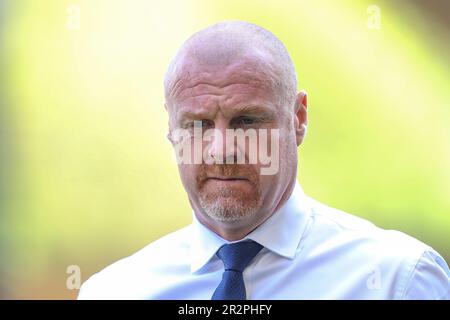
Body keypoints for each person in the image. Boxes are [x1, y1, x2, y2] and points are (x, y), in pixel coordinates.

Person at [78, 21, 450, 299]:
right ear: (170, 127)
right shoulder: (114, 291)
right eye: (198, 124)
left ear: (298, 118)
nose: (221, 149)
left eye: (248, 120)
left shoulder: (397, 281)